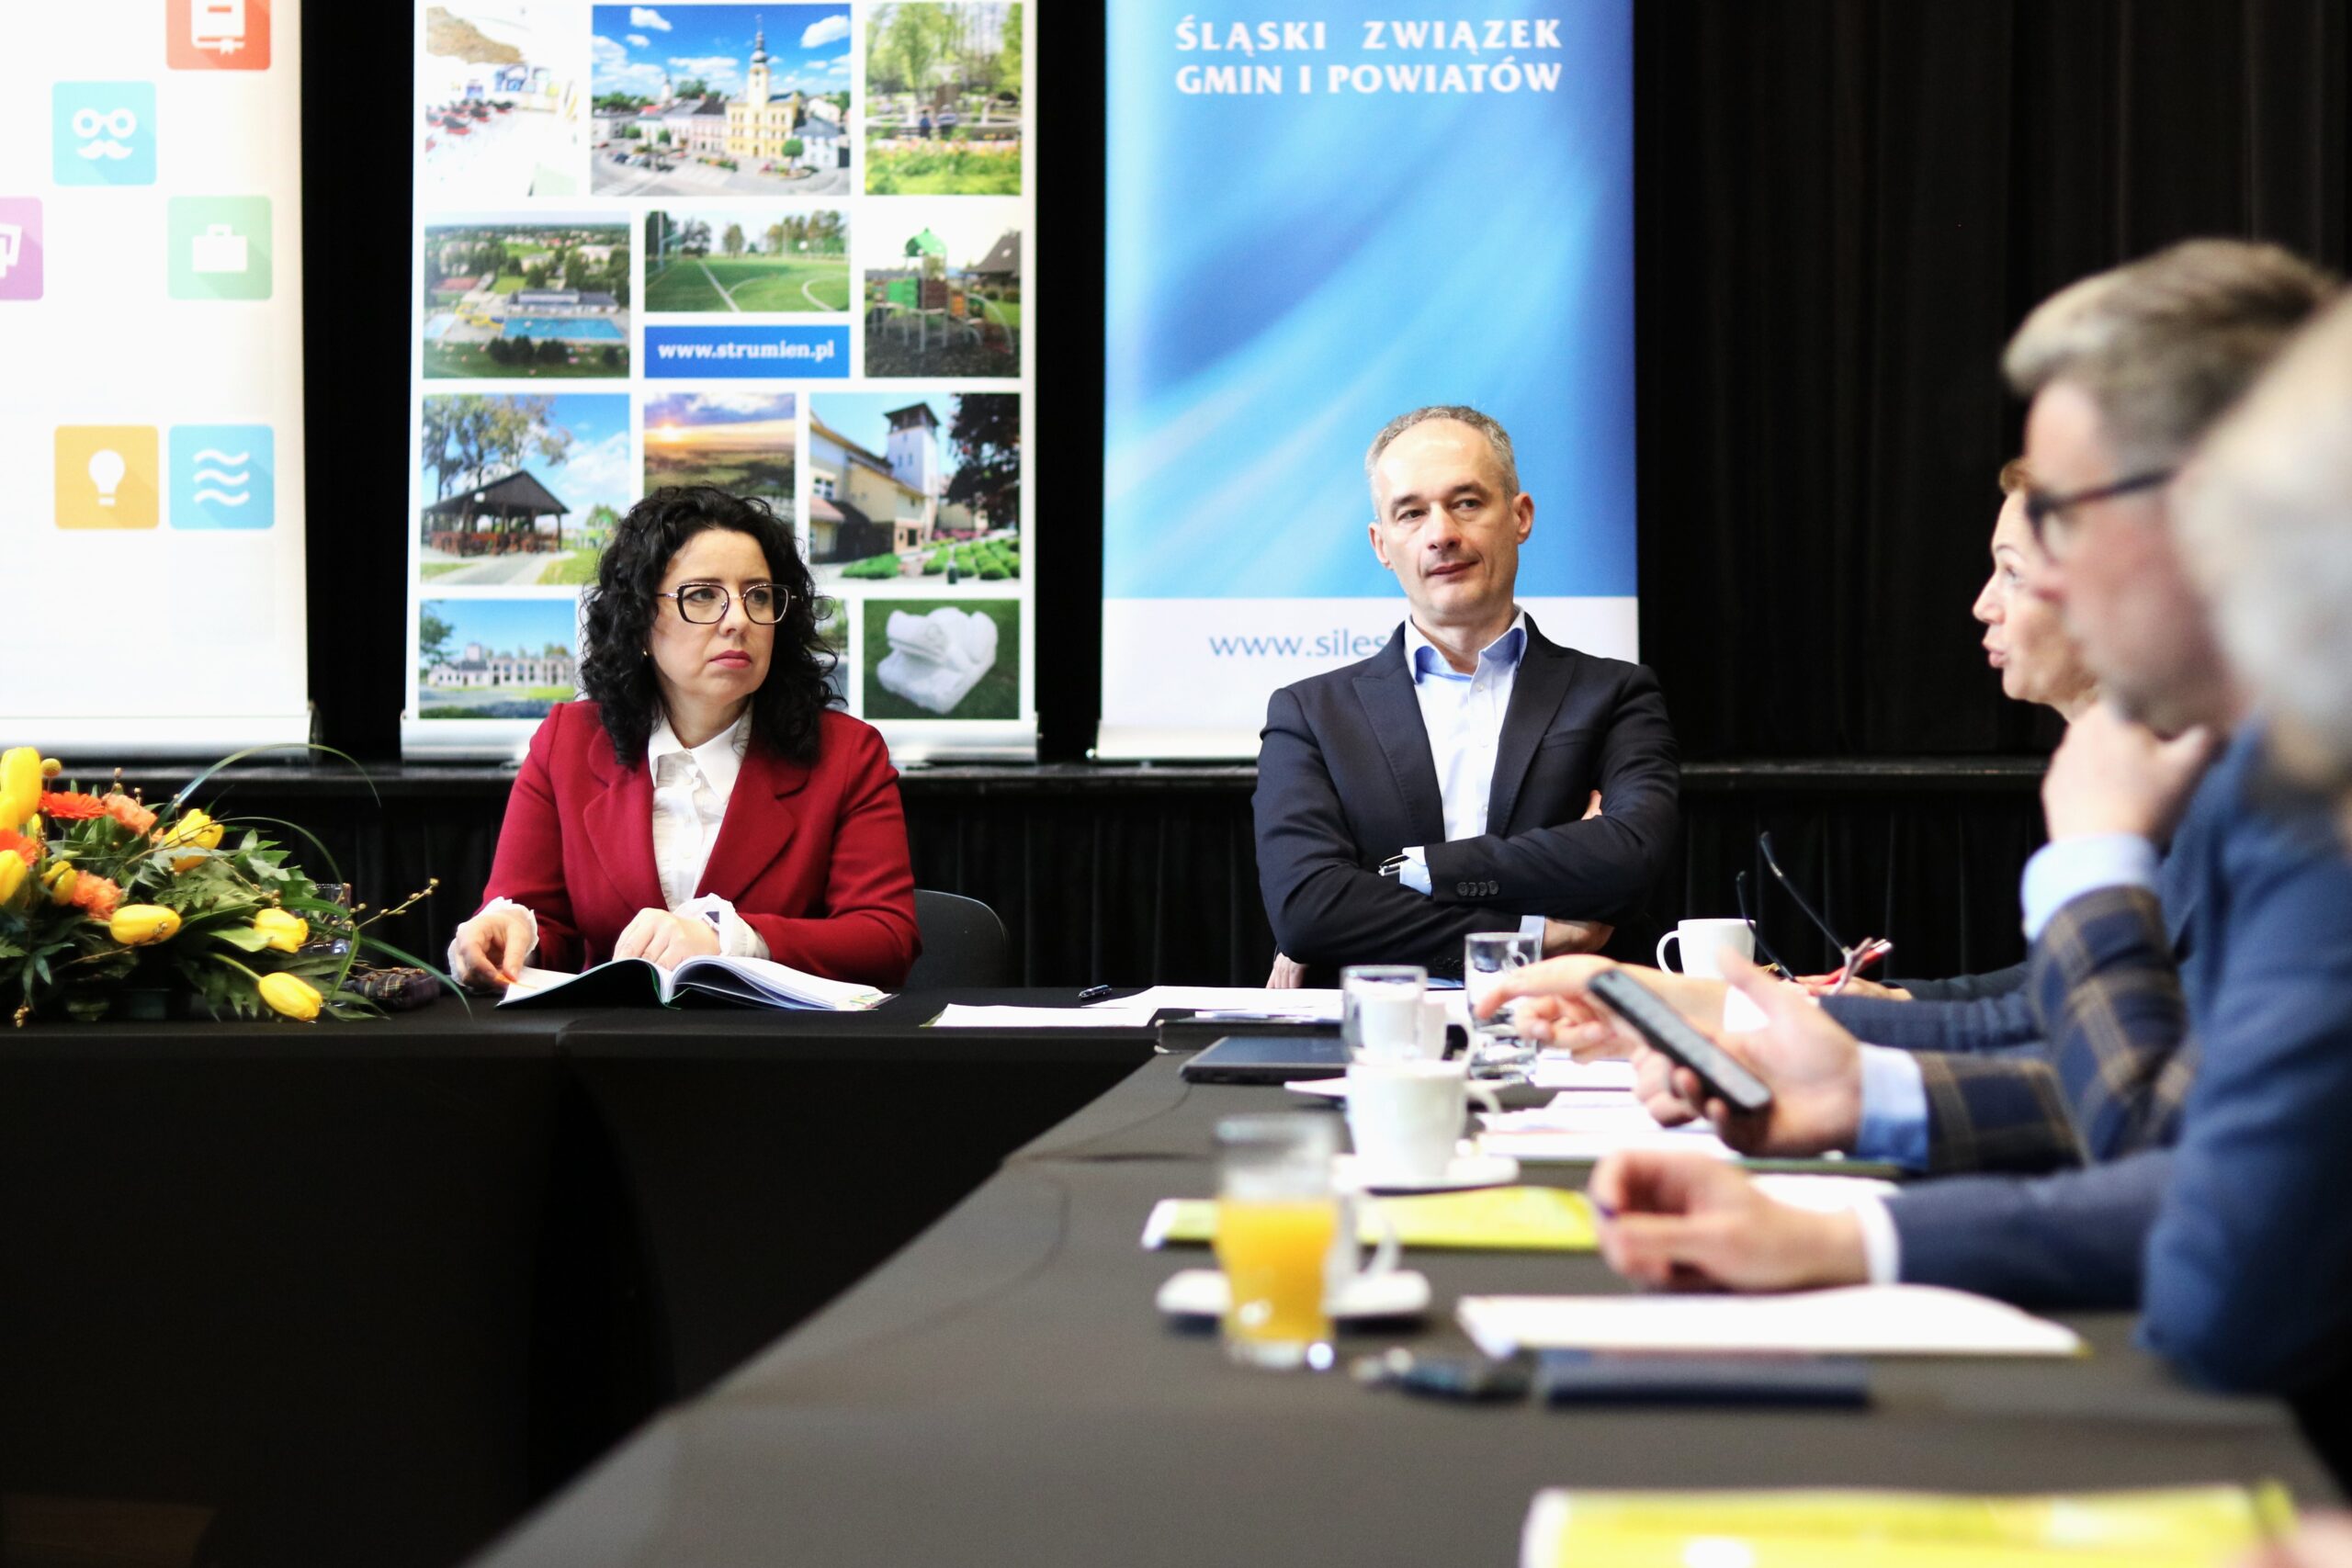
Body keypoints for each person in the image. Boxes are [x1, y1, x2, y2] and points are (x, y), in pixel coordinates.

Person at [1491, 243, 2352, 1404]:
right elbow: (2199, 1127)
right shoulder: (2263, 764)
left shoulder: (2314, 796)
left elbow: (2211, 1236)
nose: (2034, 584)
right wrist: (1858, 1128)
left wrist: (2094, 867)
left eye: (2058, 519)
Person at [1253, 405, 1679, 982]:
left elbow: (1633, 859)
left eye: (1467, 503)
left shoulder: (1616, 695)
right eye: (1411, 513)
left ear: (1520, 516)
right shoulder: (1310, 714)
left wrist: (1421, 870)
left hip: (1564, 1022)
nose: (1441, 535)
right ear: (1382, 544)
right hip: (1382, 1027)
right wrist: (1533, 937)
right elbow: (1309, 911)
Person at [448, 486, 920, 990]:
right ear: (639, 621)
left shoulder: (847, 754)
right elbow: (540, 919)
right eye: (702, 595)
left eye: (758, 596)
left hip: (777, 1038)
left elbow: (886, 939)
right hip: (611, 1036)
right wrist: (511, 931)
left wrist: (730, 941)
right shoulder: (566, 742)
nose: (738, 620)